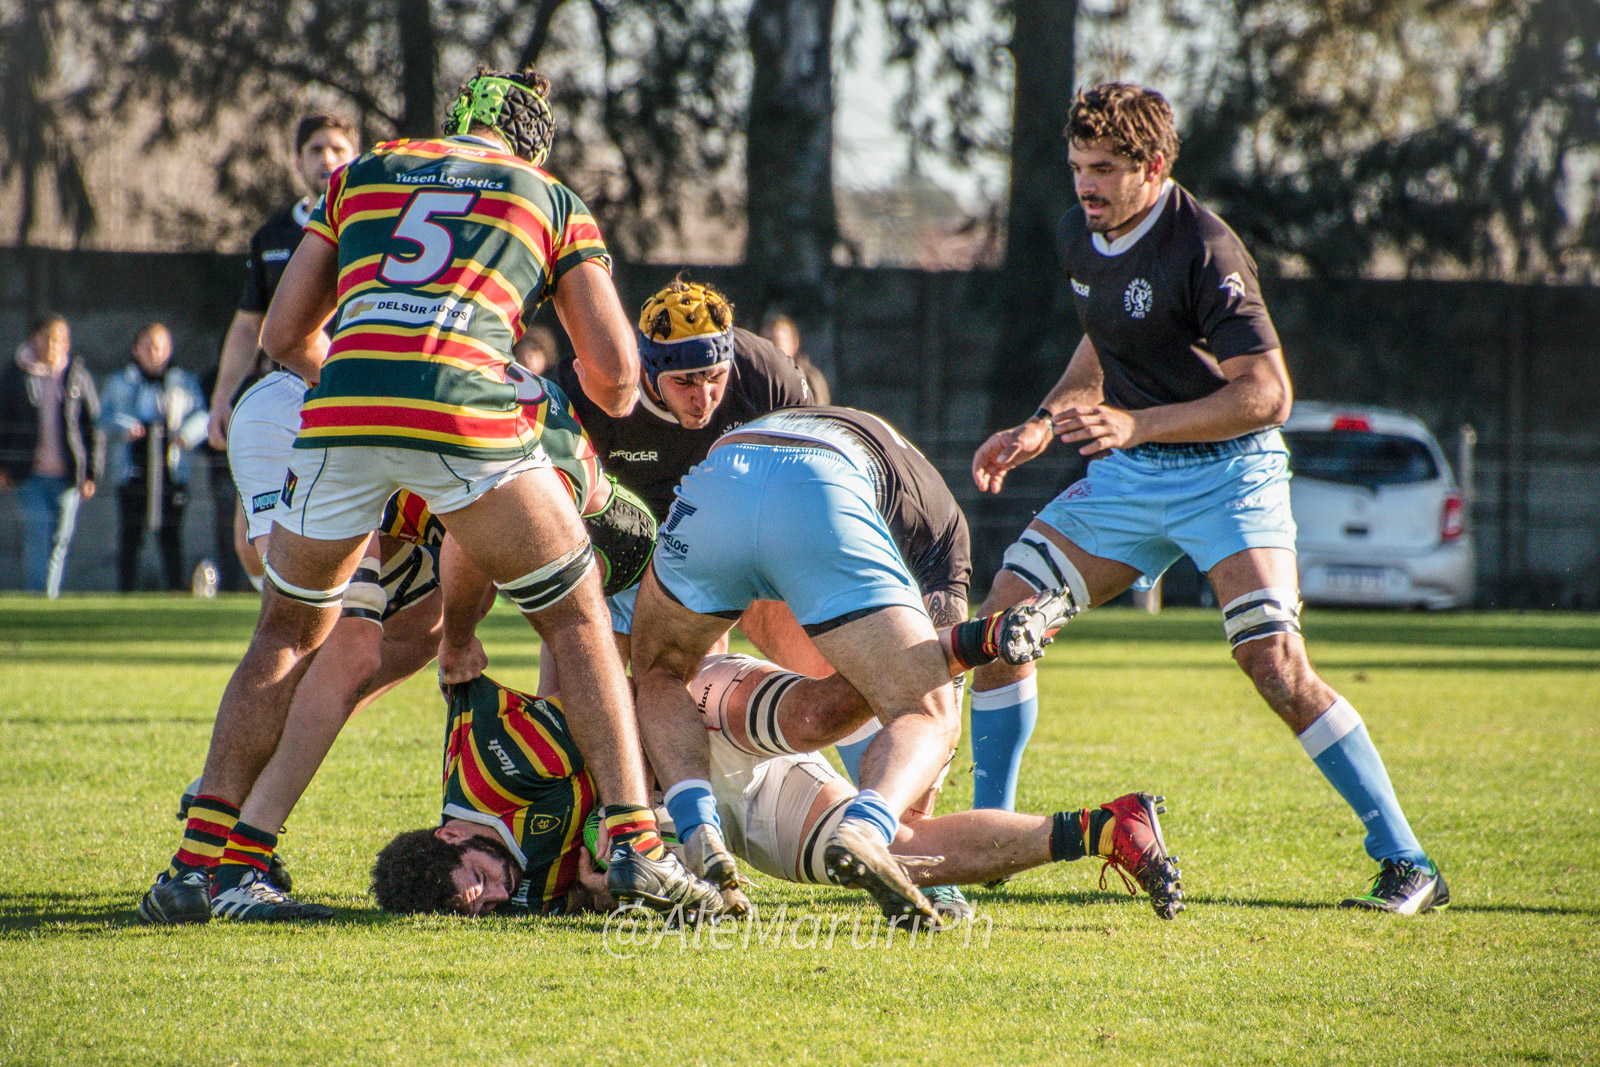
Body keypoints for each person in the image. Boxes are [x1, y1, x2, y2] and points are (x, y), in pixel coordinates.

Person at [136, 67, 721, 927]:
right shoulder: (548, 197)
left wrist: (369, 381)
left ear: (453, 122)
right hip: (465, 411)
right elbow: (618, 377)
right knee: (576, 613)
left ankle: (204, 868)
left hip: (340, 412)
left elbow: (283, 334)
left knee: (288, 631)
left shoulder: (361, 172)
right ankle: (636, 842)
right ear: (533, 140)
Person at [968, 83, 1447, 915]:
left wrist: (1138, 423)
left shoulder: (1205, 249)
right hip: (1132, 473)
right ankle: (991, 839)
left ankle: (1407, 861)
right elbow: (1101, 334)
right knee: (1005, 617)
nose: (1086, 185)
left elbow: (1267, 393)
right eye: (1078, 165)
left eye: (1107, 169)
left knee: (1274, 663)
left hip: (1230, 475)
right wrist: (1044, 423)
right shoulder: (1079, 232)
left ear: (1154, 167)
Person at [372, 660, 1181, 921]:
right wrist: (607, 893)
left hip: (689, 717)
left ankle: (947, 648)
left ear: (450, 834)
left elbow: (608, 710)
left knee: (825, 708)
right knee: (868, 851)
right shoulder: (517, 893)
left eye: (475, 881)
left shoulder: (488, 763)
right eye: (477, 905)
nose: (496, 893)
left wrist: (635, 825)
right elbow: (627, 882)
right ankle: (1104, 827)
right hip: (702, 815)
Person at [629, 405, 1031, 927]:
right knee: (928, 711)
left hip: (720, 476)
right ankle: (865, 827)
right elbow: (936, 675)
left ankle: (695, 827)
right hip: (821, 483)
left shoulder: (786, 400)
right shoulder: (942, 533)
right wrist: (909, 806)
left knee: (659, 672)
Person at [554, 278, 812, 658]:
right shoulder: (596, 385)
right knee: (578, 649)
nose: (703, 397)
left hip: (727, 528)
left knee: (698, 658)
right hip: (623, 537)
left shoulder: (765, 374)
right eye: (684, 382)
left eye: (715, 377)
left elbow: (811, 466)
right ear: (648, 371)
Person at [203, 114, 360, 590]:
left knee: (348, 531)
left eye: (337, 148)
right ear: (296, 160)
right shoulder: (273, 236)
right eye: (315, 149)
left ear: (357, 155)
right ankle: (296, 617)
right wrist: (222, 397)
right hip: (283, 397)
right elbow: (249, 325)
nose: (327, 159)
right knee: (249, 544)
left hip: (349, 396)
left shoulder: (372, 225)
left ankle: (321, 630)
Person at [99, 323, 209, 591]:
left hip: (171, 471)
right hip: (132, 471)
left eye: (159, 347)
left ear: (169, 350)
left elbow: (203, 415)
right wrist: (125, 427)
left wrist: (185, 435)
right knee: (130, 535)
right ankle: (125, 593)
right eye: (147, 347)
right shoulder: (118, 382)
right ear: (136, 350)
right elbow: (101, 418)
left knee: (170, 536)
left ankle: (175, 592)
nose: (154, 353)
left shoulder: (184, 382)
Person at [0, 314, 103, 596]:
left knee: (60, 539)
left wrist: (91, 472)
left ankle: (50, 595)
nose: (53, 344)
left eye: (59, 339)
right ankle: (40, 596)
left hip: (68, 475)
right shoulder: (14, 375)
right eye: (47, 337)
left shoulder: (77, 376)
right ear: (34, 338)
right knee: (37, 534)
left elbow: (93, 427)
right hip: (29, 474)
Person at [758, 310, 830, 405]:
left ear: (794, 344)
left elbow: (820, 415)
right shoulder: (755, 378)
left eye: (776, 344)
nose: (770, 351)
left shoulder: (810, 379)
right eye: (765, 343)